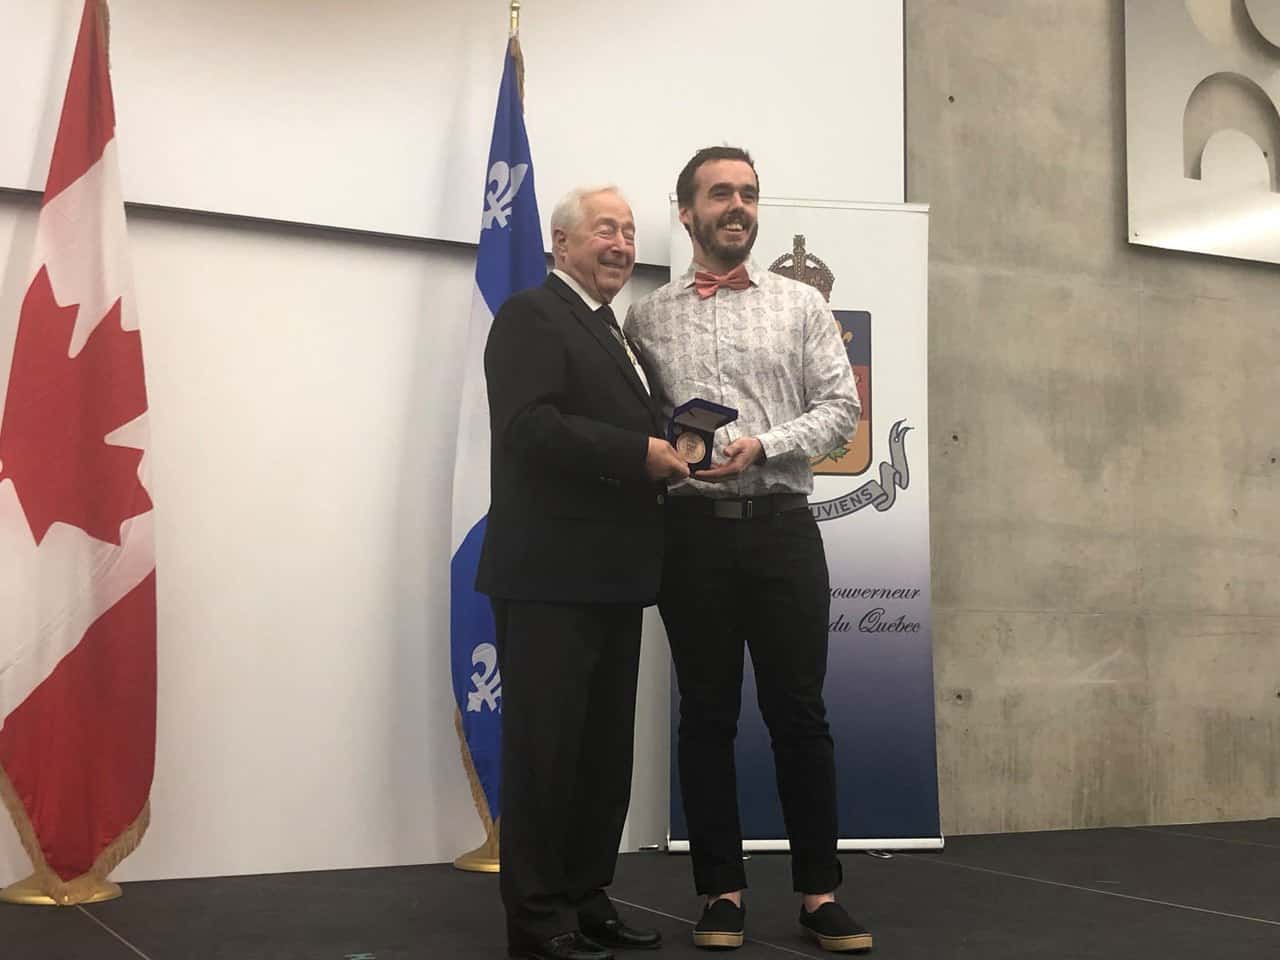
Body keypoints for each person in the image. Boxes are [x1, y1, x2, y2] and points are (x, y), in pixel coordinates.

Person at [625, 148, 871, 954]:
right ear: (687, 211)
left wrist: (764, 444)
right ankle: (720, 892)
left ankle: (820, 893)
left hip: (781, 529)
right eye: (721, 193)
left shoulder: (801, 305)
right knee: (705, 716)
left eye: (750, 194)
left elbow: (841, 410)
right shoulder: (646, 319)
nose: (738, 205)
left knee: (799, 713)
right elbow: (639, 425)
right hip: (691, 538)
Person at [477, 185, 689, 960]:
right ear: (561, 243)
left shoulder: (612, 331)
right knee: (547, 754)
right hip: (548, 578)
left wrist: (682, 445)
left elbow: (619, 424)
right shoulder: (532, 315)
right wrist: (638, 454)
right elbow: (529, 427)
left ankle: (585, 895)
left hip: (614, 577)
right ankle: (535, 918)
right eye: (606, 229)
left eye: (630, 231)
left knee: (601, 755)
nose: (623, 244)